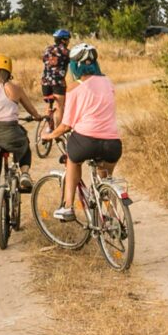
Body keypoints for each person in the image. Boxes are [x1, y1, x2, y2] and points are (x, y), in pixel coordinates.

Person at [44, 43, 122, 224]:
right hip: (113, 144)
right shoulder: (108, 82)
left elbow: (66, 125)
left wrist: (49, 135)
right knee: (106, 179)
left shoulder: (74, 87)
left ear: (75, 65)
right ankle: (113, 218)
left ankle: (67, 207)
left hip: (86, 141)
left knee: (73, 159)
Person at [0, 53, 45, 225]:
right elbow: (32, 111)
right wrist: (37, 117)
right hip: (12, 133)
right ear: (9, 70)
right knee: (24, 143)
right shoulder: (16, 89)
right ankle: (25, 173)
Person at [39, 29, 71, 124]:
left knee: (49, 105)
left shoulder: (47, 49)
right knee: (59, 107)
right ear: (63, 40)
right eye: (68, 39)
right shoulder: (66, 52)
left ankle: (49, 128)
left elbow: (44, 60)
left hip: (45, 82)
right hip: (58, 82)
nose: (69, 41)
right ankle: (57, 133)